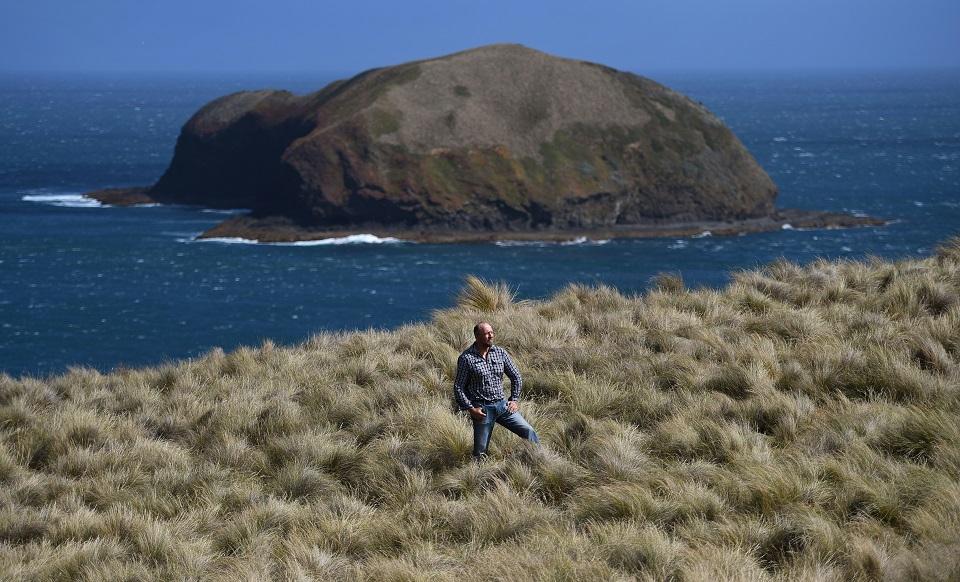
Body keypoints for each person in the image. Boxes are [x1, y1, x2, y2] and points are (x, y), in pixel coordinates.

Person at [453, 321, 539, 459]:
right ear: (477, 336)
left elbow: (516, 376)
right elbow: (458, 387)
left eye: (492, 332)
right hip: (482, 410)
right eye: (487, 333)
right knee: (480, 452)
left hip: (503, 406)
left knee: (529, 431)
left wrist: (514, 399)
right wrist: (471, 409)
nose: (491, 336)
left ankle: (537, 459)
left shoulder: (500, 353)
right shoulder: (466, 358)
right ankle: (479, 476)